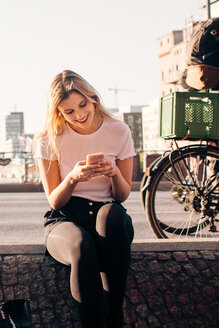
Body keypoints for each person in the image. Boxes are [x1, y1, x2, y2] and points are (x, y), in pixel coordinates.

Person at [34, 70, 135, 328]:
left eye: (82, 105)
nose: (79, 115)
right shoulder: (49, 139)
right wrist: (73, 178)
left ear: (93, 98)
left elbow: (122, 195)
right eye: (69, 112)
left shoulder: (119, 131)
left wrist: (113, 173)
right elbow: (55, 201)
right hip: (66, 218)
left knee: (112, 215)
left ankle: (114, 316)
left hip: (106, 215)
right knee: (82, 245)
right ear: (59, 113)